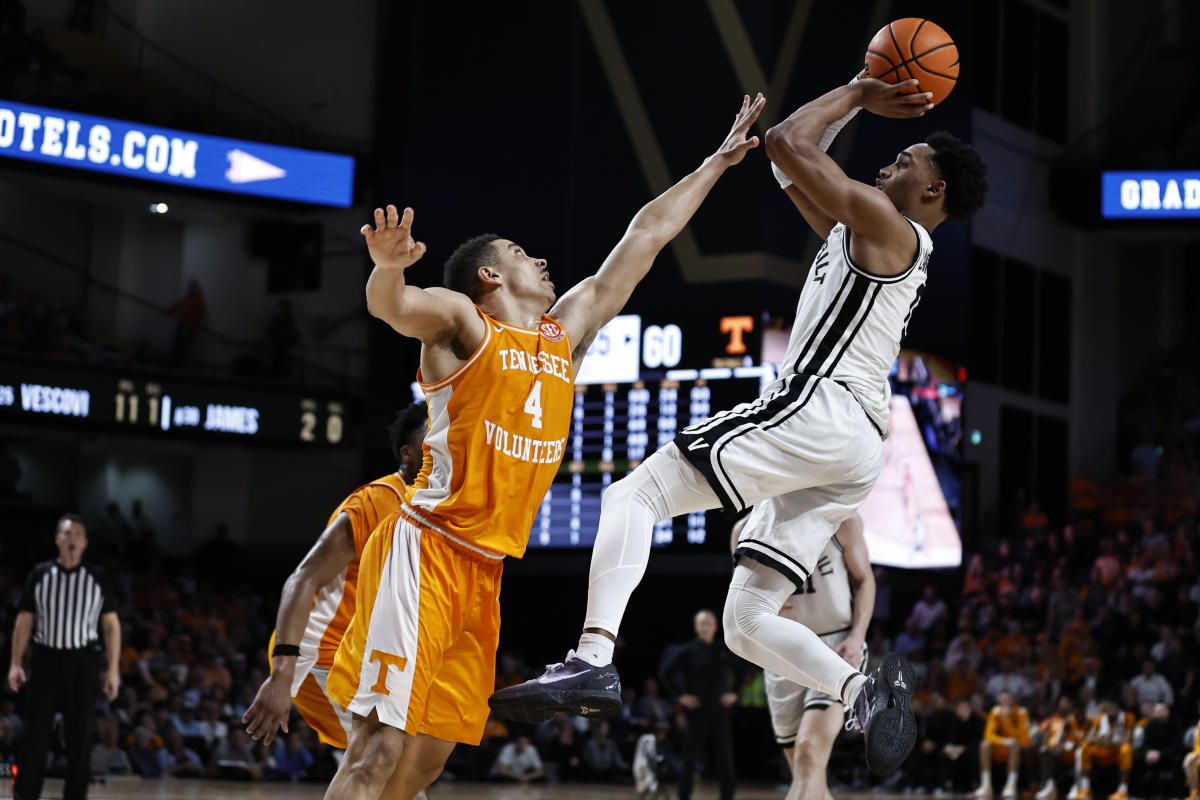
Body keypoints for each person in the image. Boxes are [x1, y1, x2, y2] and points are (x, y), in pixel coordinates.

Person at [493, 67, 989, 782]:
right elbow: (791, 161)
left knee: (637, 494)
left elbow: (789, 139)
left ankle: (593, 659)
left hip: (820, 410)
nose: (887, 162)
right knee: (748, 621)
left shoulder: (890, 225)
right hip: (851, 446)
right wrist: (823, 117)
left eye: (905, 160)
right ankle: (863, 693)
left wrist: (857, 89)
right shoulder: (862, 233)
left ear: (933, 190)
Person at [322, 92, 767, 800]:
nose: (543, 259)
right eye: (523, 255)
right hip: (426, 548)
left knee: (427, 761)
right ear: (491, 276)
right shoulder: (464, 324)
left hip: (486, 571)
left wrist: (716, 163)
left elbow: (645, 237)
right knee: (378, 749)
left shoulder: (566, 333)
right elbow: (396, 307)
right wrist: (385, 267)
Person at [243, 402, 428, 753]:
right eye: (432, 438)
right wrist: (282, 675)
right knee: (381, 759)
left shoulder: (425, 510)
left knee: (393, 771)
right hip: (320, 652)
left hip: (364, 661)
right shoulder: (377, 500)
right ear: (408, 453)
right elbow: (303, 578)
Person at [754, 513, 874, 800]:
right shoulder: (747, 530)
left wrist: (857, 637)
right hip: (780, 650)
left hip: (835, 645)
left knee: (809, 753)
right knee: (807, 772)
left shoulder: (842, 521)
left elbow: (865, 581)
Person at [8, 513, 120, 800]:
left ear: (85, 543)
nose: (73, 539)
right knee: (35, 732)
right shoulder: (40, 573)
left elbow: (110, 625)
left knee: (80, 736)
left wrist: (113, 670)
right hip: (46, 658)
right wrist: (16, 663)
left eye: (78, 535)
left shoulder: (97, 577)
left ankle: (75, 796)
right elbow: (24, 620)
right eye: (68, 534)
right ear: (57, 539)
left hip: (83, 661)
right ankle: (25, 795)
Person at [659, 610, 741, 800]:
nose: (705, 627)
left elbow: (742, 669)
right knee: (690, 755)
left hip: (719, 709)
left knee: (725, 756)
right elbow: (666, 673)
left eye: (709, 623)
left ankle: (727, 795)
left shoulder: (723, 648)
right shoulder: (688, 650)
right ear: (696, 628)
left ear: (715, 627)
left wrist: (735, 693)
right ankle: (684, 795)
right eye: (702, 624)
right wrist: (680, 696)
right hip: (697, 709)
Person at [1069, 700, 1135, 800]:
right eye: (1107, 708)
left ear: (1118, 708)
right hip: (1103, 751)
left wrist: (1112, 742)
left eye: (1112, 708)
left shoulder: (1128, 717)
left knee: (1126, 749)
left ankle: (1123, 790)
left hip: (1117, 753)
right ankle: (1085, 789)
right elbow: (1089, 738)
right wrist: (1100, 739)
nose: (1110, 711)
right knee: (1085, 746)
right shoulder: (1101, 718)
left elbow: (1128, 740)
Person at [973, 690, 1034, 800]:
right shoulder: (996, 711)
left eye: (1008, 699)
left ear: (1013, 700)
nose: (1005, 701)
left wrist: (1007, 720)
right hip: (1004, 746)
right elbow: (988, 735)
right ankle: (986, 785)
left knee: (1014, 744)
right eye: (1003, 699)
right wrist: (1002, 741)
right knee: (984, 745)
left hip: (1021, 745)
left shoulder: (1021, 711)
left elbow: (1023, 737)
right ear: (999, 700)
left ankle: (1011, 785)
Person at [1036, 696, 1089, 800]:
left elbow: (1074, 737)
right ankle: (1048, 786)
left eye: (1065, 702)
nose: (1063, 705)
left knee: (1058, 753)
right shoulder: (1052, 719)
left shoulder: (1075, 719)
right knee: (1046, 752)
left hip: (1073, 749)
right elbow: (1046, 734)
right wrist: (1046, 746)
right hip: (1059, 749)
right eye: (1061, 702)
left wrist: (1064, 745)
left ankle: (1077, 787)